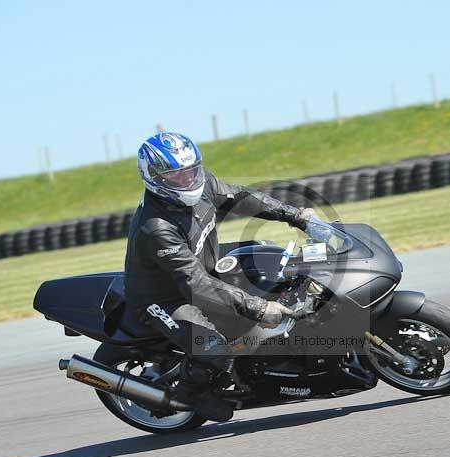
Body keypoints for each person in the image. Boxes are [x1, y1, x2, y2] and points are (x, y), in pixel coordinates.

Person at [124, 132, 315, 422]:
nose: (187, 180)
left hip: (203, 267)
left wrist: (294, 215)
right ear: (154, 178)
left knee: (270, 268)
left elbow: (242, 197)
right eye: (176, 176)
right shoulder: (156, 227)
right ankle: (188, 396)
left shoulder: (202, 185)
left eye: (191, 171)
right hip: (165, 297)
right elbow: (195, 284)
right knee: (214, 348)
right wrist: (259, 309)